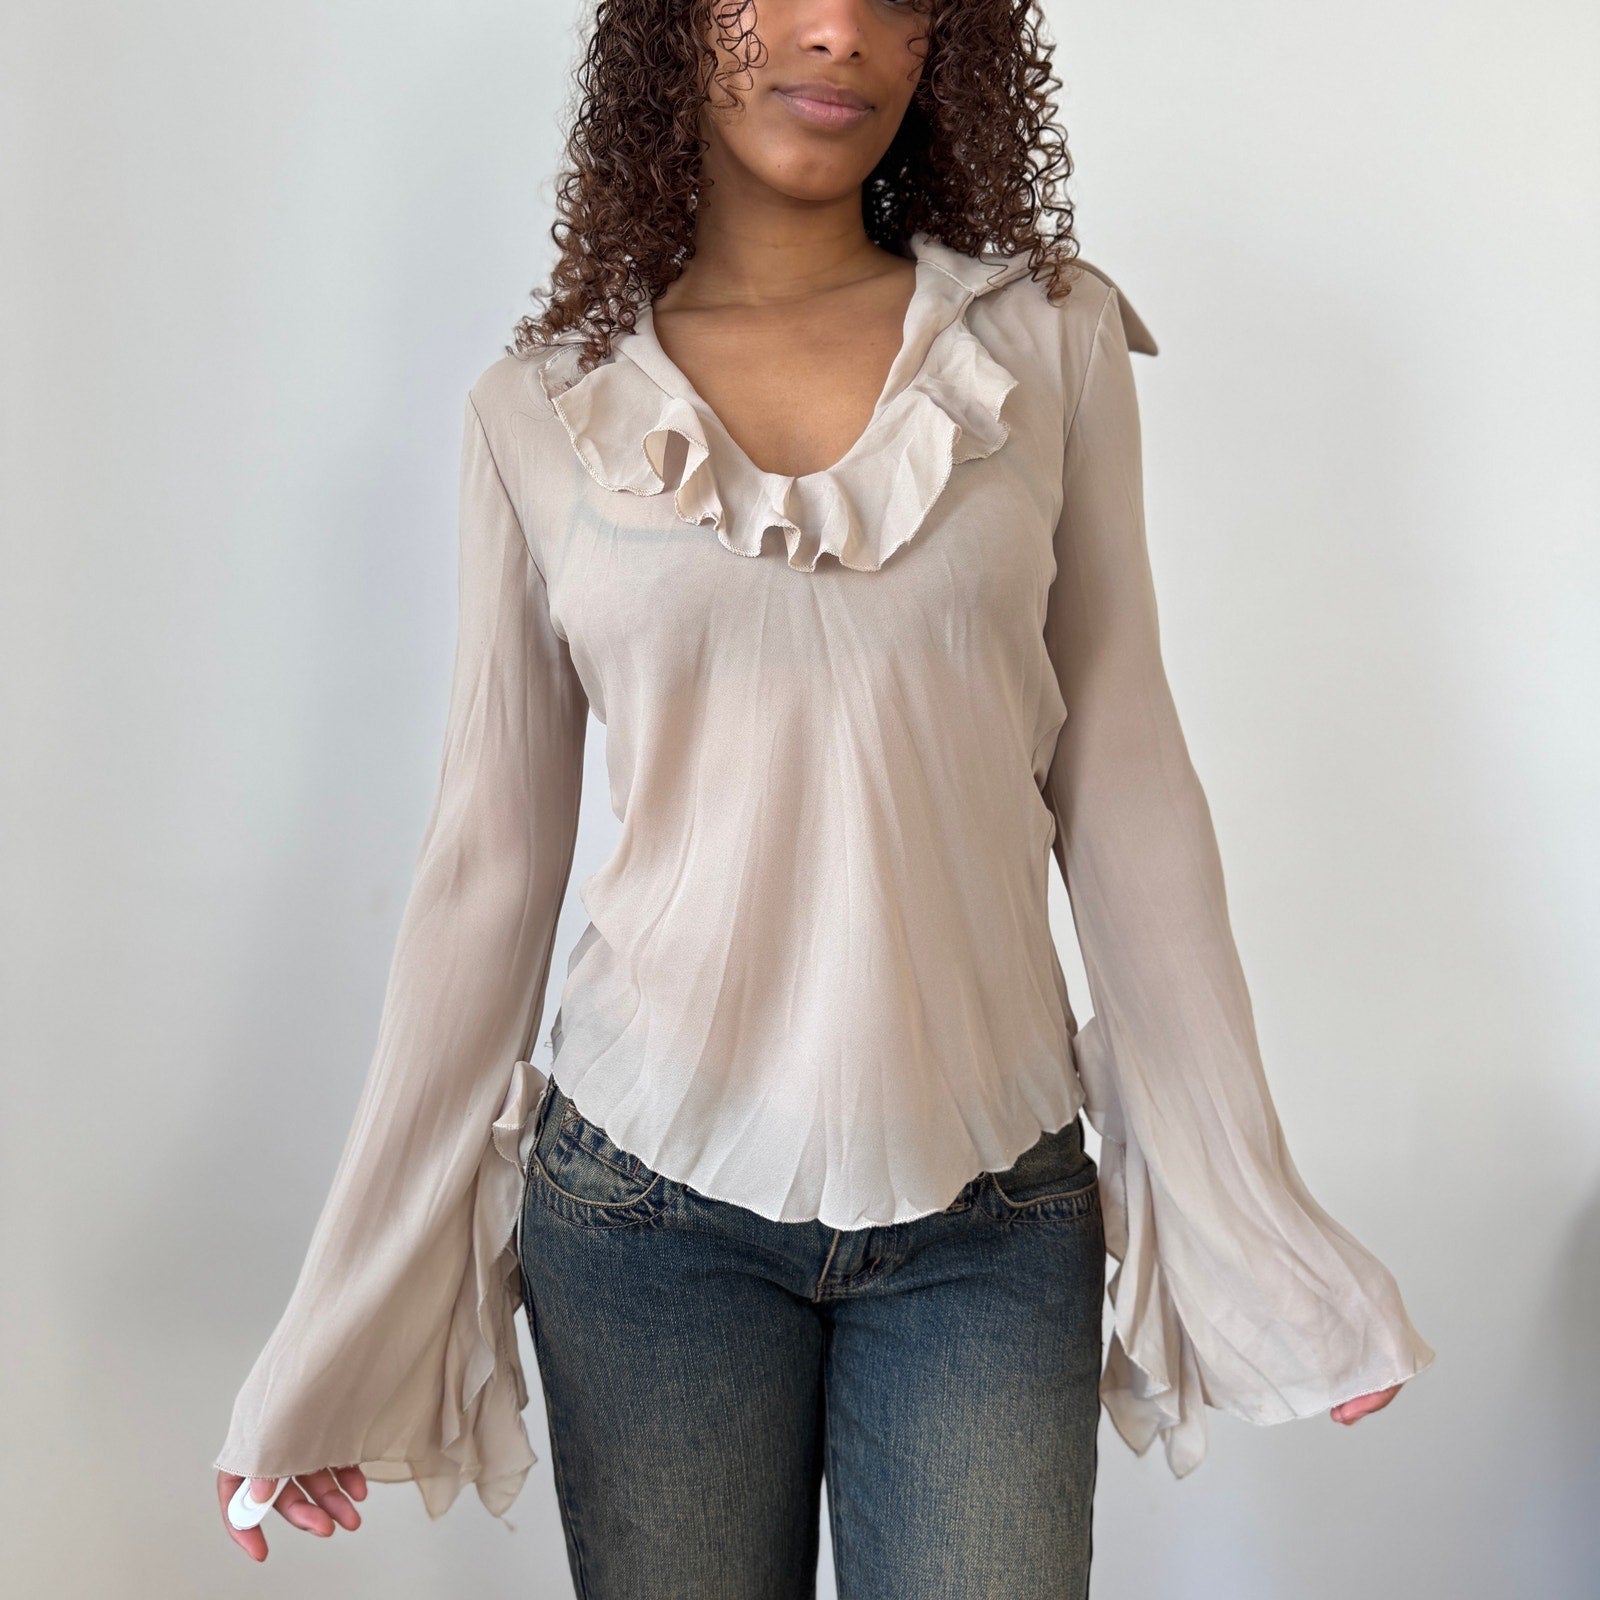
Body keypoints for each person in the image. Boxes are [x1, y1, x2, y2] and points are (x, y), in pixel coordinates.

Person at [213, 0, 1435, 1592]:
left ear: (948, 42)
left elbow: (1126, 789)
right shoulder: (540, 410)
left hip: (992, 1214)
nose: (838, 30)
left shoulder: (1046, 343)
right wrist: (340, 1327)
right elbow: (487, 866)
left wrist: (1257, 1238)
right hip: (642, 1214)